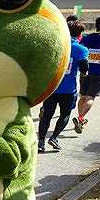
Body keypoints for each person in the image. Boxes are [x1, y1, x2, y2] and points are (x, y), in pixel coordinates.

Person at [38, 20, 89, 152]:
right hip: (68, 89)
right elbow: (84, 67)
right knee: (65, 114)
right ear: (80, 35)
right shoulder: (82, 49)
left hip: (52, 87)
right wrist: (84, 72)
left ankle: (41, 142)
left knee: (47, 115)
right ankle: (54, 137)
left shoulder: (56, 45)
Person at [73, 14, 100, 133]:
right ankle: (80, 117)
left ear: (96, 25)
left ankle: (80, 119)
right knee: (90, 97)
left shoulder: (86, 38)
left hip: (84, 72)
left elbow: (81, 51)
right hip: (98, 72)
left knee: (83, 96)